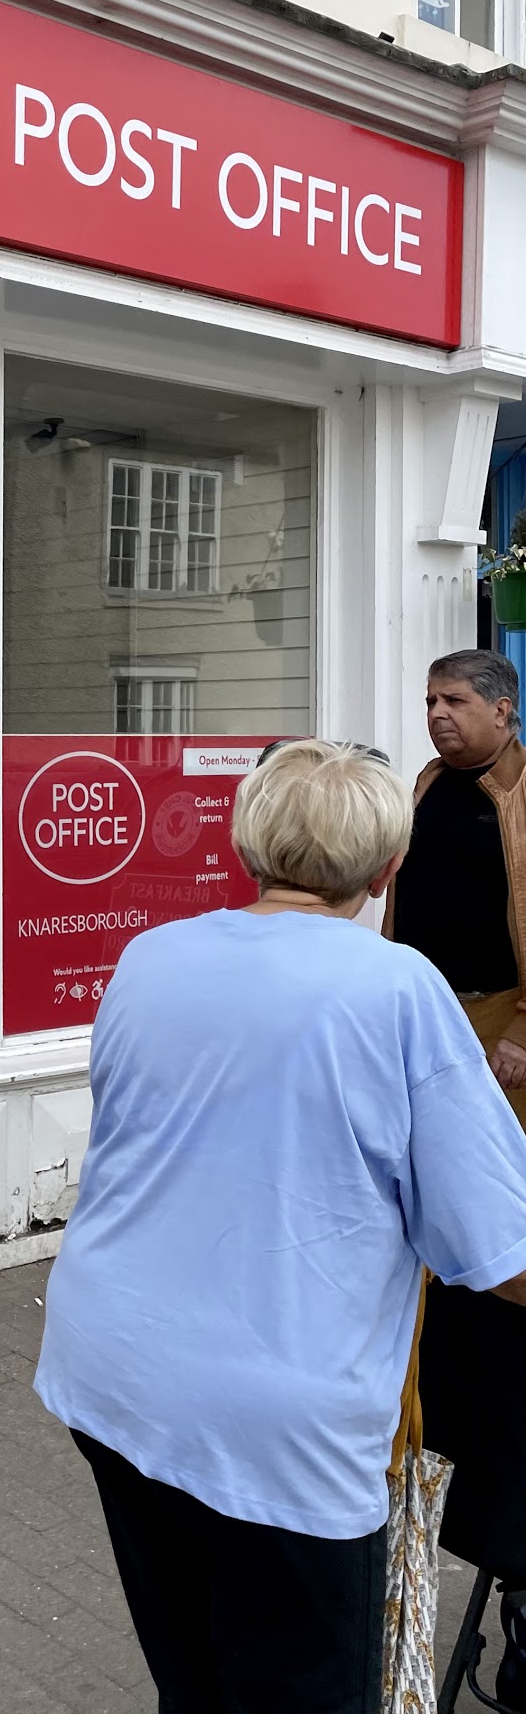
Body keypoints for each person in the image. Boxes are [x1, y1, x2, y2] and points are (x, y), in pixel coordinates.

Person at [34, 739, 526, 1714]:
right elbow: (495, 1249)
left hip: (112, 1369)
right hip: (273, 1417)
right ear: (389, 869)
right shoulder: (397, 989)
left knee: (195, 1668)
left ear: (245, 846)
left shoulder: (151, 954)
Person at [387, 648, 526, 1706]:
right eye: (429, 701)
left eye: (454, 701)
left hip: (497, 1024)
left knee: (490, 1195)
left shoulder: (520, 795)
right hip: (419, 1013)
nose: (436, 716)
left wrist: (524, 1025)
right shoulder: (428, 788)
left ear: (503, 709)